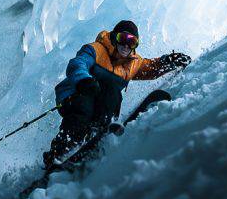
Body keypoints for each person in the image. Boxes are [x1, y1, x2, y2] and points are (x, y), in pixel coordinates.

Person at [43, 20, 190, 168]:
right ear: (114, 37)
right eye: (123, 39)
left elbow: (151, 68)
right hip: (76, 93)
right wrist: (84, 80)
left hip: (101, 100)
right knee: (84, 108)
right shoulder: (95, 49)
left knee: (113, 93)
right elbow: (77, 64)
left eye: (132, 42)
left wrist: (170, 61)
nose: (126, 45)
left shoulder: (133, 63)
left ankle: (97, 132)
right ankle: (59, 152)